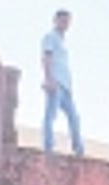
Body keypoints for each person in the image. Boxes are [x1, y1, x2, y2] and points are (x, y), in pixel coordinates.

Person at [41, 9, 84, 156]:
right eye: (63, 20)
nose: (65, 24)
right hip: (56, 82)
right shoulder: (50, 37)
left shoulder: (62, 41)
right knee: (50, 115)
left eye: (67, 21)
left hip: (66, 86)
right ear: (56, 20)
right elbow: (46, 58)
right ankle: (48, 146)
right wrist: (49, 79)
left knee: (74, 117)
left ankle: (78, 148)